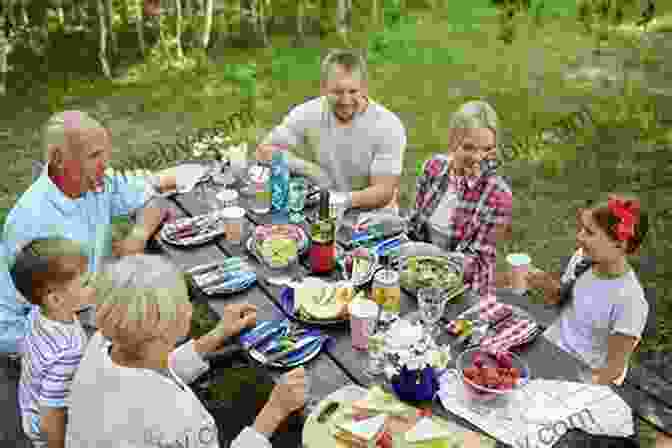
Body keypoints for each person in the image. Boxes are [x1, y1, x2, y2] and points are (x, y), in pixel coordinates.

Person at [65, 254, 307, 448]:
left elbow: (154, 367)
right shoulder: (177, 415)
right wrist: (275, 410)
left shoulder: (103, 342)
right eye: (183, 300)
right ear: (165, 327)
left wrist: (217, 334)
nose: (190, 307)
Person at [0, 110, 177, 355]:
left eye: (106, 153)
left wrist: (137, 236)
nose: (105, 164)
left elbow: (154, 200)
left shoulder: (95, 181)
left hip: (82, 300)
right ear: (58, 159)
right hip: (42, 329)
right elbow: (46, 308)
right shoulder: (32, 222)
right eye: (94, 155)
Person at [255, 49, 407, 212]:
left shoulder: (388, 126)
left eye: (353, 91)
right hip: (324, 209)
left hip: (373, 218)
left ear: (364, 88)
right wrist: (309, 169)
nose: (346, 101)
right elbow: (263, 152)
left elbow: (383, 192)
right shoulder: (308, 113)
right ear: (323, 88)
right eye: (337, 92)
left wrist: (340, 199)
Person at [534, 194, 649, 386]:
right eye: (581, 229)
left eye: (589, 232)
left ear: (620, 245)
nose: (579, 237)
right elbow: (564, 303)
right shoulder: (582, 259)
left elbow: (612, 371)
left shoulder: (630, 302)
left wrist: (568, 388)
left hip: (583, 377)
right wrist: (546, 285)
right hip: (552, 350)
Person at [406, 101, 513, 298]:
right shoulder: (433, 168)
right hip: (418, 277)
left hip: (464, 292)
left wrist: (428, 255)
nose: (479, 158)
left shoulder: (499, 197)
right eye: (469, 147)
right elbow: (413, 226)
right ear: (452, 142)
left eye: (487, 149)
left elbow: (478, 264)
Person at [10, 237, 96, 448]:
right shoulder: (68, 352)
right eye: (85, 284)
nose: (94, 286)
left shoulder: (37, 314)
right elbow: (52, 415)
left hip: (30, 402)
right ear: (56, 300)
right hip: (49, 428)